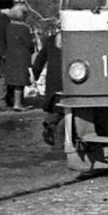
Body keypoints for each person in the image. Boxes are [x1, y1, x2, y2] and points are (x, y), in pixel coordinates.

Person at [0, 0, 36, 110]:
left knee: (10, 78)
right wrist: (3, 54)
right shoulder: (2, 22)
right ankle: (2, 102)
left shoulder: (4, 21)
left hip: (8, 53)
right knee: (5, 78)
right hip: (7, 54)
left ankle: (9, 101)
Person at [31, 18, 64, 147]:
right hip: (69, 79)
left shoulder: (51, 41)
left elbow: (40, 59)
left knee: (56, 108)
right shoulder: (77, 40)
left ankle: (50, 126)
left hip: (54, 81)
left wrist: (34, 75)